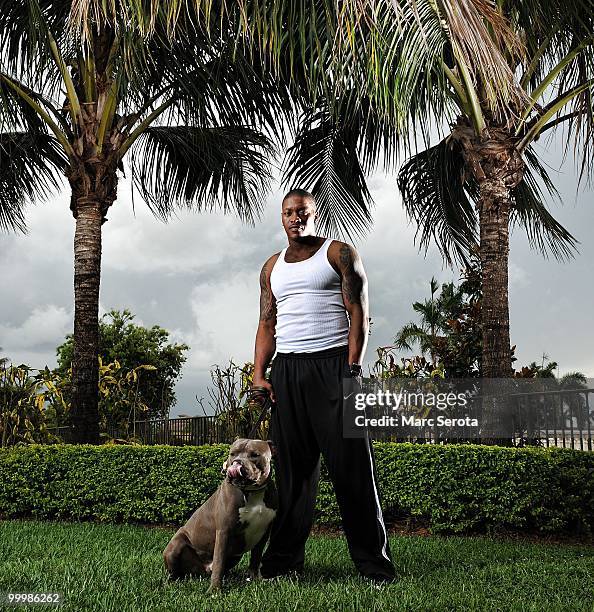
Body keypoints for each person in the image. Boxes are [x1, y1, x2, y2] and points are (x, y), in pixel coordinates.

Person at [251, 188, 395, 583]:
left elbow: (358, 314)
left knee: (353, 471)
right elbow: (267, 324)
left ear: (315, 215)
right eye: (288, 213)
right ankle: (281, 565)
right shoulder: (271, 267)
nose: (296, 218)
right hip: (288, 372)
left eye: (302, 212)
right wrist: (259, 374)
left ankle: (374, 567)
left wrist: (352, 370)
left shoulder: (338, 253)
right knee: (292, 477)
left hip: (333, 367)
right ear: (281, 218)